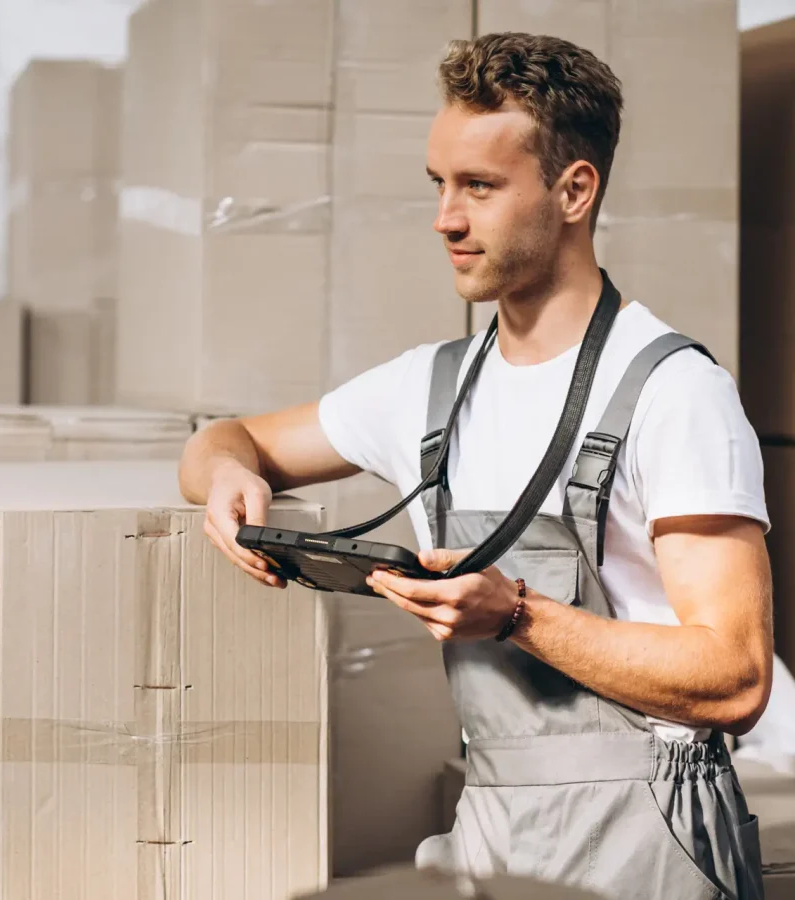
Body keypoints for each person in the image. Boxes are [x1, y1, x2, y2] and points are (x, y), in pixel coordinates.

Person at [179, 32, 772, 900]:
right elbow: (223, 441)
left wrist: (518, 615)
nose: (445, 218)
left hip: (654, 840)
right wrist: (229, 477)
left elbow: (736, 678)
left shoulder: (673, 393)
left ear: (575, 190)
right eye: (440, 184)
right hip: (495, 834)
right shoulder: (428, 388)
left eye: (480, 187)